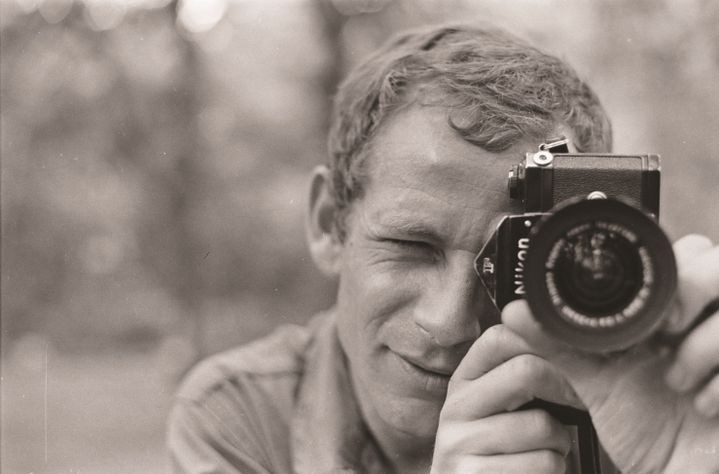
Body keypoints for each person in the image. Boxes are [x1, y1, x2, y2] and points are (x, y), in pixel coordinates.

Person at [167, 23, 719, 473]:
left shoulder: (652, 403)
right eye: (411, 245)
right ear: (329, 224)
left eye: (510, 264)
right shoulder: (243, 417)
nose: (449, 320)